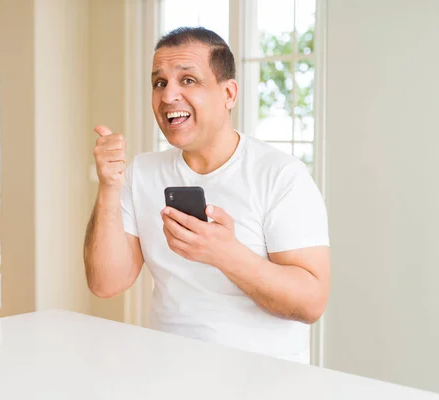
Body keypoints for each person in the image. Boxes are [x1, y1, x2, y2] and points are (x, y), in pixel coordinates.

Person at [84, 27, 330, 364]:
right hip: (167, 372)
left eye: (188, 80)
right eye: (159, 82)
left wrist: (225, 254)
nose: (168, 95)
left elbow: (311, 303)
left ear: (229, 94)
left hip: (265, 381)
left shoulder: (281, 176)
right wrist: (109, 187)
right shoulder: (142, 172)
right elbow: (105, 283)